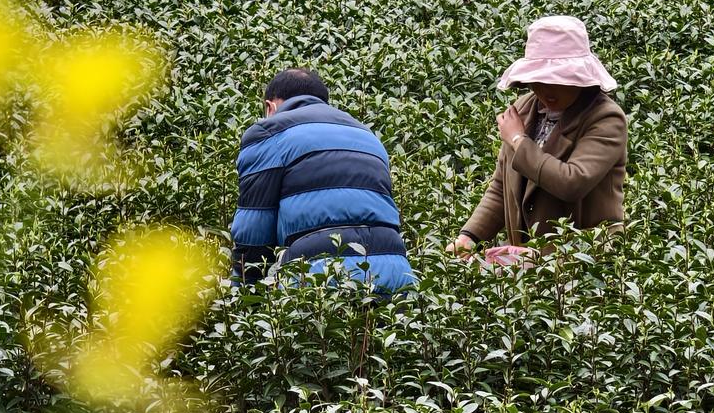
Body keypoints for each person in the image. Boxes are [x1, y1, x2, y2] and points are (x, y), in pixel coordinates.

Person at [448, 16, 627, 256]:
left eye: (556, 79)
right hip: (530, 266)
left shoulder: (605, 118)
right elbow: (502, 188)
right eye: (538, 80)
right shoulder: (523, 109)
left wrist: (518, 141)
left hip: (584, 264)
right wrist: (470, 236)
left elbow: (572, 181)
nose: (545, 89)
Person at [230, 68, 414, 292]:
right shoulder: (368, 135)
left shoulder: (268, 132)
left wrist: (244, 293)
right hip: (396, 274)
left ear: (271, 107)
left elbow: (255, 229)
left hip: (320, 275)